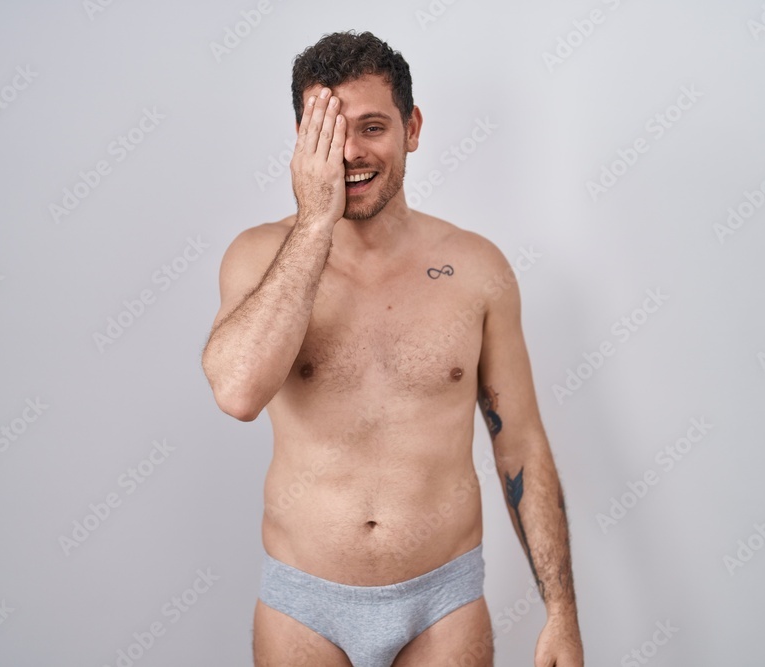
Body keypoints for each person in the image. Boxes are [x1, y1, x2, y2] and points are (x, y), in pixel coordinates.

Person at [201, 30, 583, 667]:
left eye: (372, 126)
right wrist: (316, 219)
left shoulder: (476, 267)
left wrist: (562, 613)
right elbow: (238, 392)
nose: (350, 151)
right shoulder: (259, 257)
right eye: (328, 132)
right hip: (304, 606)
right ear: (301, 143)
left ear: (413, 128)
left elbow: (521, 442)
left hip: (443, 602)